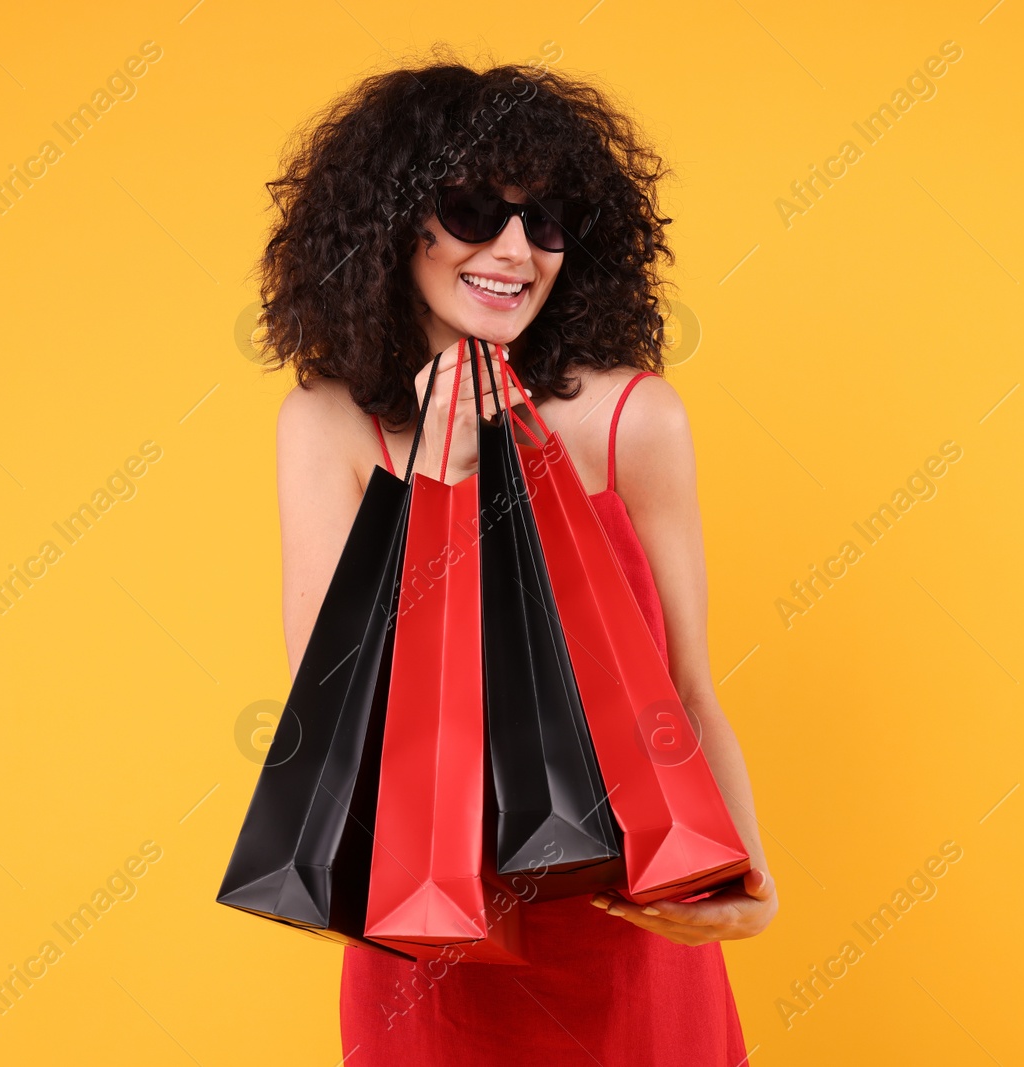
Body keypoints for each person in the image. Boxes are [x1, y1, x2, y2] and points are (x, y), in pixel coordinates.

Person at [253, 51, 776, 1065]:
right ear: (394, 220)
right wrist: (446, 481)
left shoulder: (634, 418)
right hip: (429, 938)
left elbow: (689, 690)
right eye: (472, 209)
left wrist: (751, 878)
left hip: (629, 934)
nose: (514, 248)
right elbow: (329, 713)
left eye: (543, 222)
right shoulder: (324, 425)